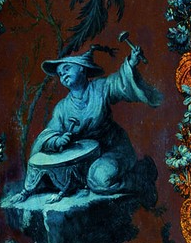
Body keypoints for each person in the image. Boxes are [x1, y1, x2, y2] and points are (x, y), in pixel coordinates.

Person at [24, 42, 161, 201]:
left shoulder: (100, 87)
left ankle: (142, 180)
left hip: (112, 149)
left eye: (67, 69)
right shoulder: (62, 107)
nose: (63, 75)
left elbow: (119, 84)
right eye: (60, 74)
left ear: (82, 68)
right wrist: (57, 140)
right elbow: (48, 134)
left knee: (99, 180)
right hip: (84, 159)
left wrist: (130, 63)